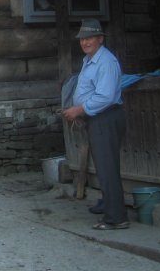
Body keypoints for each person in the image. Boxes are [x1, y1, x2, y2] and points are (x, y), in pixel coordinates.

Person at [61, 18, 129, 230]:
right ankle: (108, 204)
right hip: (97, 118)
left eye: (89, 38)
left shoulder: (106, 62)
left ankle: (116, 218)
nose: (85, 42)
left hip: (105, 117)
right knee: (103, 166)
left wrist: (79, 109)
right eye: (82, 39)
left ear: (100, 39)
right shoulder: (89, 60)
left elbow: (105, 96)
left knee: (107, 167)